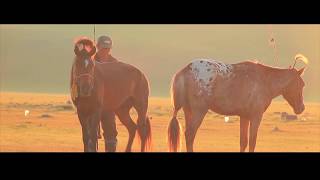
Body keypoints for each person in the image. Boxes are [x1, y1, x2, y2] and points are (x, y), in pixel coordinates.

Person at [94, 35, 118, 152]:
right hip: (93, 105)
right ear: (97, 47)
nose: (105, 51)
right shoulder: (90, 62)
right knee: (91, 133)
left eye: (108, 48)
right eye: (103, 48)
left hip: (109, 105)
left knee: (111, 133)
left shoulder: (115, 63)